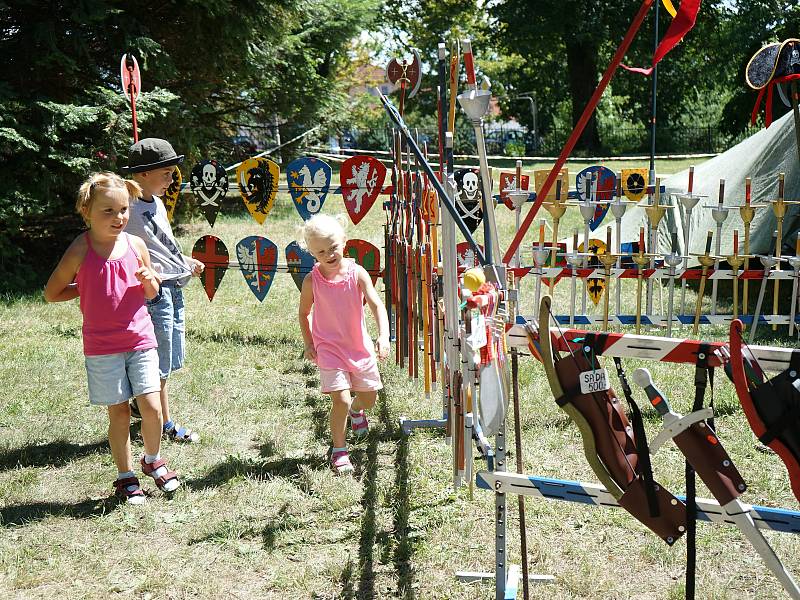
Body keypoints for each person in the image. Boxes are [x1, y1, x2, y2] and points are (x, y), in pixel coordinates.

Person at [44, 172, 180, 503]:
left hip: (140, 340)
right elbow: (52, 293)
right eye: (108, 211)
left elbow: (151, 293)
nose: (118, 218)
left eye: (123, 210)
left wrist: (151, 280)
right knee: (118, 413)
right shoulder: (80, 249)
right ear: (86, 210)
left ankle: (152, 460)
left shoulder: (135, 245)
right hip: (103, 347)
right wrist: (84, 290)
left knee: (151, 408)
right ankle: (125, 476)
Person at [122, 138, 204, 443]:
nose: (172, 180)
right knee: (158, 362)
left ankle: (144, 407)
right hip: (154, 293)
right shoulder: (125, 207)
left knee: (168, 359)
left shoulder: (155, 203)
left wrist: (184, 261)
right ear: (143, 174)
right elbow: (118, 246)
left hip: (174, 286)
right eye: (166, 173)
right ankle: (163, 422)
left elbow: (162, 244)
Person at [298, 214, 390, 474]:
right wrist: (309, 342)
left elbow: (376, 304)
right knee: (340, 399)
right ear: (312, 253)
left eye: (333, 247)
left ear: (344, 241)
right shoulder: (311, 281)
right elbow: (304, 313)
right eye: (321, 251)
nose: (329, 254)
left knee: (369, 398)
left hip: (358, 347)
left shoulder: (357, 273)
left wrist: (383, 335)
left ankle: (358, 412)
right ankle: (339, 449)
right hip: (329, 348)